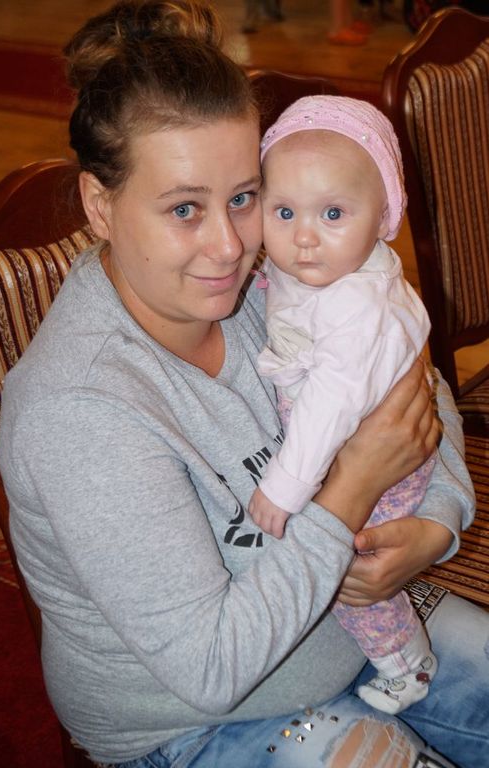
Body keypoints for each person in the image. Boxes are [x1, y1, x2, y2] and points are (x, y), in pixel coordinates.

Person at [0, 1, 488, 766]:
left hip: (356, 625)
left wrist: (435, 523)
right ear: (99, 205)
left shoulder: (274, 277)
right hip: (190, 723)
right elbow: (210, 670)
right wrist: (350, 491)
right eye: (184, 209)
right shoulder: (78, 412)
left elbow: (410, 385)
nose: (229, 245)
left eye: (243, 197)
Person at [249, 95, 437, 716]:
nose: (304, 238)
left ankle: (404, 663)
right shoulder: (328, 266)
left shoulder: (357, 306)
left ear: (384, 216)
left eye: (333, 213)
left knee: (352, 578)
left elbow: (330, 406)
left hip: (373, 462)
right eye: (283, 211)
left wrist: (285, 485)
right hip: (348, 446)